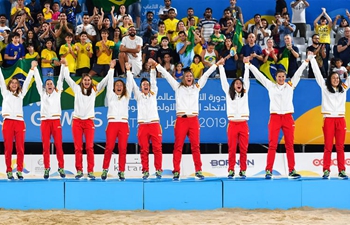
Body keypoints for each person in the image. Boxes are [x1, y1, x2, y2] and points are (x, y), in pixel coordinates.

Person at [247, 54, 310, 179]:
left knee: (290, 145)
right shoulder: (270, 86)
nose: (281, 78)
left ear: (285, 77)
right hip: (275, 117)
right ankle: (268, 170)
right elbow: (260, 76)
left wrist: (306, 62)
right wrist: (249, 66)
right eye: (279, 77)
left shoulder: (290, 86)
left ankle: (292, 170)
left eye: (283, 77)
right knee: (272, 145)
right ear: (275, 77)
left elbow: (298, 74)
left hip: (287, 117)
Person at [156, 58, 220, 181]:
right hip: (181, 120)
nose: (189, 77)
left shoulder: (197, 87)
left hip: (193, 120)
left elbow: (206, 75)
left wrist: (216, 65)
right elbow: (167, 75)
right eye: (187, 76)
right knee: (178, 146)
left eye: (191, 76)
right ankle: (176, 171)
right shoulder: (177, 87)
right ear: (183, 78)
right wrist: (158, 65)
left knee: (196, 146)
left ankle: (198, 170)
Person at [63, 65, 110, 180]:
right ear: (82, 81)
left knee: (89, 147)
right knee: (78, 147)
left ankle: (90, 171)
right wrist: (65, 65)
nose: (87, 82)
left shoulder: (94, 90)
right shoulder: (77, 88)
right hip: (77, 121)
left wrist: (112, 69)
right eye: (85, 80)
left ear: (91, 81)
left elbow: (105, 81)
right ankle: (79, 170)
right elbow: (67, 77)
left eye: (89, 80)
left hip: (89, 122)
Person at [309, 53, 349, 179]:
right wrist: (312, 59)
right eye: (334, 78)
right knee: (328, 146)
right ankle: (326, 170)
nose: (336, 80)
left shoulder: (344, 88)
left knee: (340, 147)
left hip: (341, 120)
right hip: (329, 120)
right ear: (330, 79)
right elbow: (317, 74)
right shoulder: (325, 88)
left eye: (338, 78)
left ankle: (342, 170)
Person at [0, 60, 36, 180]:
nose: (14, 84)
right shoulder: (5, 93)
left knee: (20, 148)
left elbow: (27, 82)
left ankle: (19, 171)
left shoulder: (21, 94)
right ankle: (9, 170)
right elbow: (0, 79)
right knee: (8, 148)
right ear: (9, 84)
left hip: (19, 123)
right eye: (12, 83)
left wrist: (32, 69)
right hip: (8, 122)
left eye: (16, 83)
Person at [33, 59, 67, 179]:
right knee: (45, 146)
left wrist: (63, 65)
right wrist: (34, 69)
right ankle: (47, 168)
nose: (49, 85)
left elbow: (61, 78)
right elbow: (37, 81)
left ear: (54, 86)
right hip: (45, 122)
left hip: (55, 121)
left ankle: (61, 167)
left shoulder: (57, 92)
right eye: (47, 84)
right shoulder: (42, 93)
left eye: (51, 84)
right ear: (45, 86)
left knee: (59, 145)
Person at [101, 60, 132, 181]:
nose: (119, 87)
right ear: (113, 88)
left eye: (121, 85)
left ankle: (122, 171)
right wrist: (111, 69)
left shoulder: (126, 96)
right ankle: (104, 169)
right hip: (112, 124)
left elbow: (129, 84)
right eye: (116, 85)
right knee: (109, 147)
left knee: (123, 148)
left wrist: (128, 71)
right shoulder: (110, 95)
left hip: (123, 124)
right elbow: (109, 82)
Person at [219, 58, 250, 179]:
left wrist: (246, 65)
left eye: (240, 83)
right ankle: (231, 170)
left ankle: (243, 170)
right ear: (233, 85)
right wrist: (221, 67)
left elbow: (246, 78)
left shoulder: (245, 92)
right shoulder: (228, 92)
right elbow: (223, 81)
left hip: (243, 124)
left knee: (243, 149)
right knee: (232, 149)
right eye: (236, 83)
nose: (239, 85)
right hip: (232, 124)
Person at [132, 59, 163, 179]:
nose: (146, 86)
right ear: (140, 88)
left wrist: (153, 69)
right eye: (144, 85)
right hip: (143, 126)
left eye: (147, 84)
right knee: (144, 149)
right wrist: (129, 71)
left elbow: (154, 81)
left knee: (157, 148)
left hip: (154, 124)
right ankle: (145, 170)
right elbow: (133, 85)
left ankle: (158, 170)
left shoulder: (153, 93)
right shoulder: (138, 96)